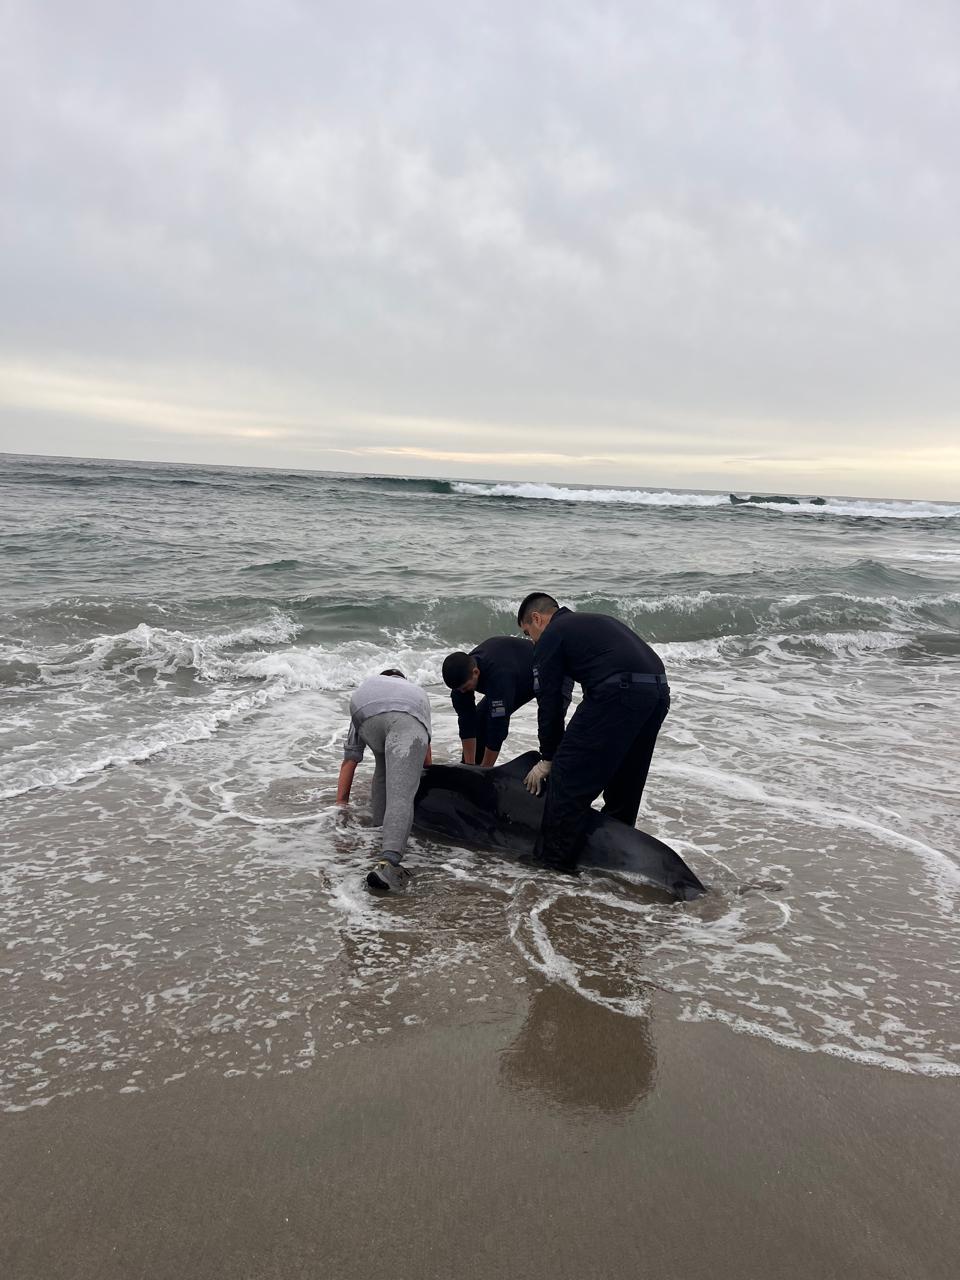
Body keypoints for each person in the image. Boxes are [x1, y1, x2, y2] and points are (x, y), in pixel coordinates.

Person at [516, 592, 670, 873]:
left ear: (537, 619)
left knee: (567, 779)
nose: (531, 641)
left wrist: (548, 758)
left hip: (618, 693)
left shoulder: (552, 634)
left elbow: (550, 700)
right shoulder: (593, 622)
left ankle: (552, 867)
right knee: (624, 784)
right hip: (658, 693)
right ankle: (616, 864)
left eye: (528, 633)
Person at [336, 668, 432, 892]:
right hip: (407, 716)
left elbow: (350, 760)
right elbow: (426, 760)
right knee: (402, 793)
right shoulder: (414, 693)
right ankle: (389, 863)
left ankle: (379, 832)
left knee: (383, 766)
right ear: (402, 681)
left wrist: (340, 807)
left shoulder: (372, 686)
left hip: (361, 706)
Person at [441, 636, 540, 767]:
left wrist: (485, 771)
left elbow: (498, 728)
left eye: (465, 688)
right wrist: (469, 767)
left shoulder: (498, 677)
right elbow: (466, 721)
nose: (463, 692)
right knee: (480, 718)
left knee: (550, 723)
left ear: (475, 672)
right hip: (510, 671)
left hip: (545, 672)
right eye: (459, 689)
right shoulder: (461, 680)